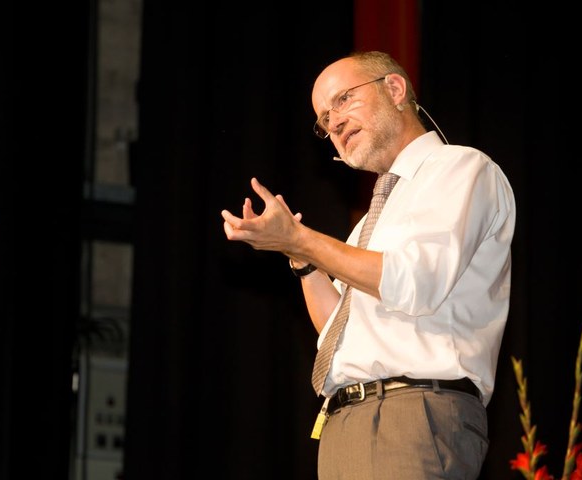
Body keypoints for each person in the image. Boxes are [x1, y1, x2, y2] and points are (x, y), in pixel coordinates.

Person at [220, 50, 515, 479]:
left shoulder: (461, 168)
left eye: (343, 100)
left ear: (394, 89)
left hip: (412, 413)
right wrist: (300, 257)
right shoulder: (369, 224)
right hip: (345, 421)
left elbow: (416, 283)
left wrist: (303, 238)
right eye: (324, 119)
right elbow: (335, 330)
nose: (334, 124)